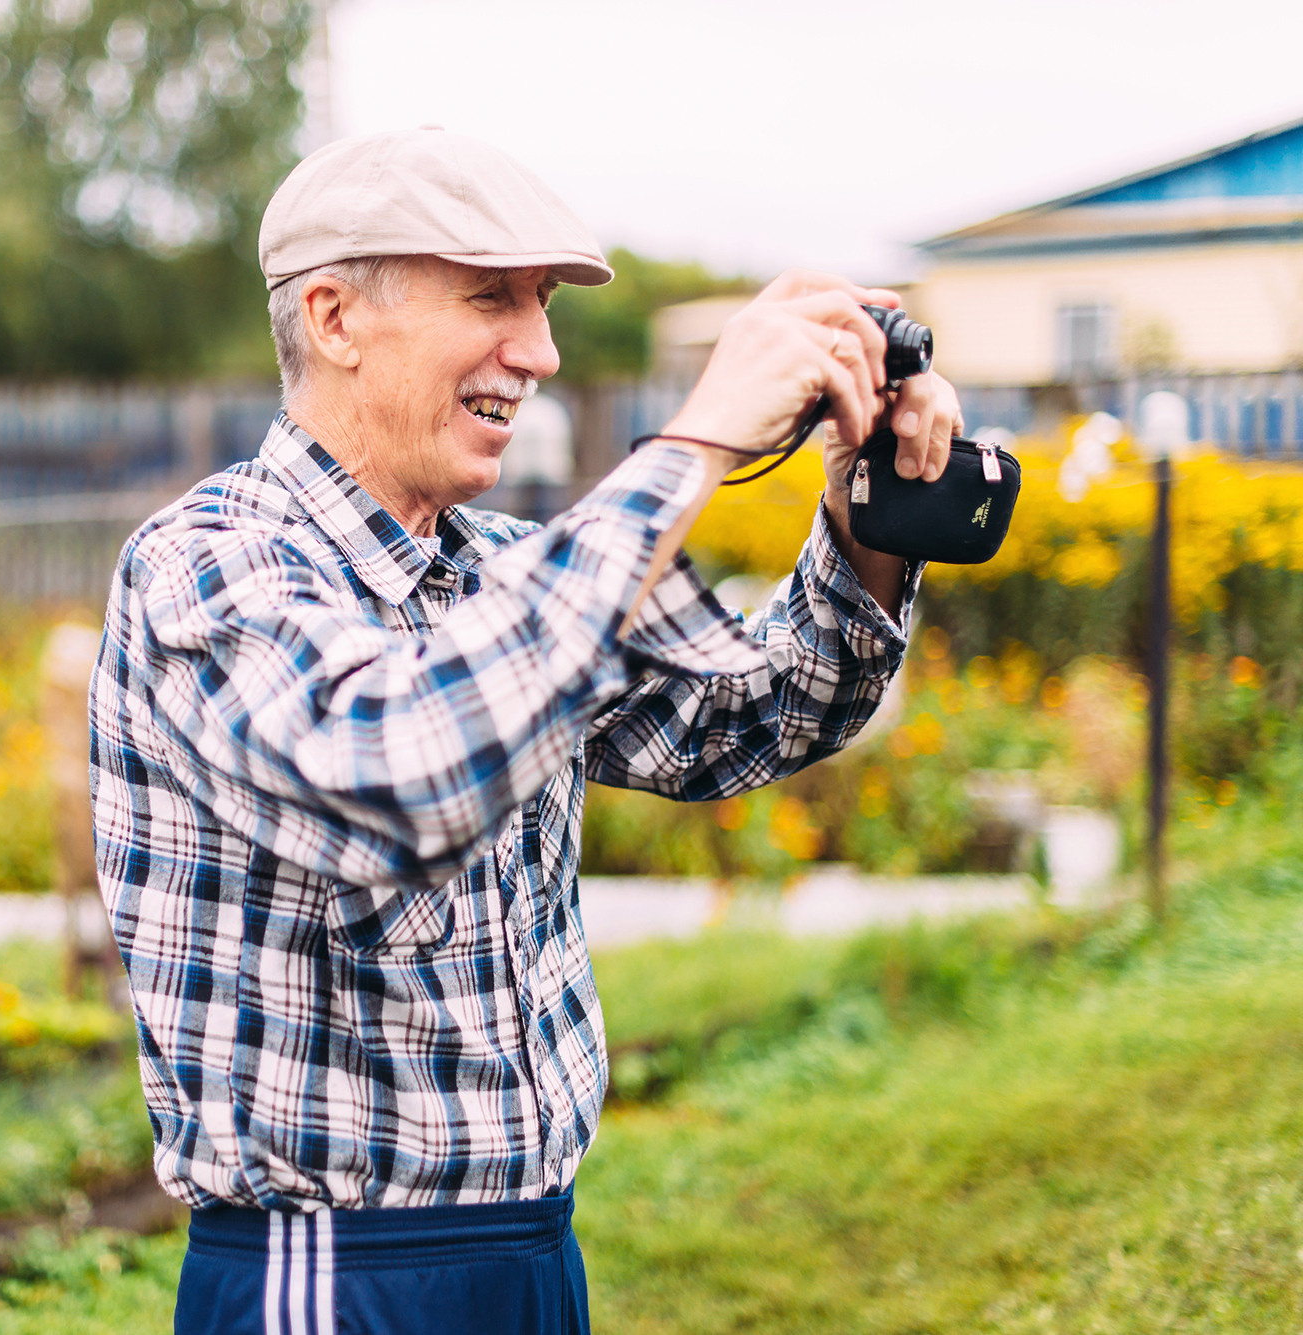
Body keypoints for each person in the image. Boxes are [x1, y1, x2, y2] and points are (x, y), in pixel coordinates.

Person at [89, 127, 962, 1335]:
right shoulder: (205, 570)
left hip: (534, 1256)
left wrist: (868, 507)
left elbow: (756, 715)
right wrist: (695, 441)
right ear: (335, 318)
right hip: (330, 1278)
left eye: (541, 304)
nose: (540, 351)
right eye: (490, 296)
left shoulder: (505, 572)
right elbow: (396, 776)